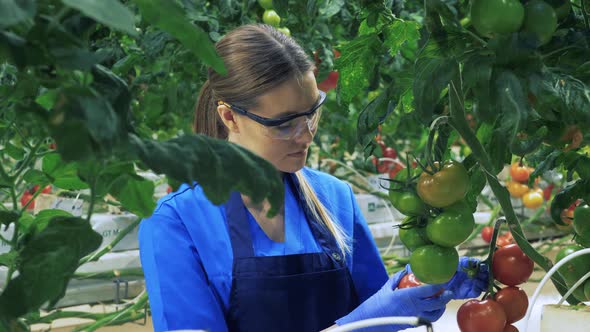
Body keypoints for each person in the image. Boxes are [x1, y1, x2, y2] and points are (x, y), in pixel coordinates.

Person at [138, 24, 489, 332]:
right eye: (284, 123)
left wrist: (419, 283)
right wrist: (358, 326)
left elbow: (379, 309)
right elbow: (369, 319)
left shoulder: (333, 197)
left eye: (312, 113)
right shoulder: (176, 223)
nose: (306, 136)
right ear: (230, 117)